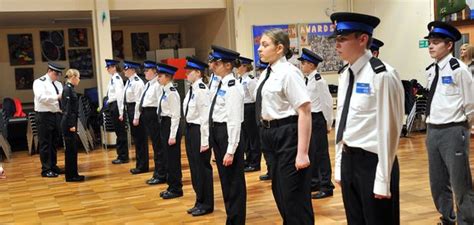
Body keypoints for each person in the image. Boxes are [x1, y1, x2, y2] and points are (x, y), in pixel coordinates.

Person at [331, 12, 404, 225]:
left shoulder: (382, 75)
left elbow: (390, 130)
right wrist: (339, 165)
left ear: (363, 39)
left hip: (373, 163)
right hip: (349, 159)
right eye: (336, 39)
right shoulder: (345, 74)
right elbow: (343, 123)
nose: (337, 44)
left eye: (343, 39)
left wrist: (383, 179)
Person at [256, 28, 313, 224]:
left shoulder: (289, 73)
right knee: (279, 191)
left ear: (280, 48)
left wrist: (302, 153)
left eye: (265, 45)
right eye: (259, 45)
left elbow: (305, 111)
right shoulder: (267, 73)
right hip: (269, 134)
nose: (259, 49)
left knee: (293, 194)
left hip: (287, 133)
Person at [423, 21, 474, 225]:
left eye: (436, 42)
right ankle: (447, 217)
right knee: (437, 181)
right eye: (430, 42)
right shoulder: (430, 70)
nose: (431, 46)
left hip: (453, 129)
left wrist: (464, 128)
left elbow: (470, 102)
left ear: (449, 45)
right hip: (432, 129)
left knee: (460, 181)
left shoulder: (459, 70)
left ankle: (467, 220)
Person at [208, 45, 246, 224]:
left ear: (228, 66)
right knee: (225, 179)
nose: (213, 65)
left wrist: (231, 149)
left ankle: (236, 219)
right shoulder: (220, 83)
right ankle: (231, 217)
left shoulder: (233, 87)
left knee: (234, 182)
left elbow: (234, 120)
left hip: (228, 134)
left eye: (217, 63)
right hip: (218, 132)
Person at [297, 48, 335, 199]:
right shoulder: (307, 79)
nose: (302, 65)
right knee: (311, 151)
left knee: (321, 153)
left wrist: (328, 123)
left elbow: (326, 103)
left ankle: (326, 185)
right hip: (310, 119)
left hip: (318, 119)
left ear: (312, 65)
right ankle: (314, 182)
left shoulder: (319, 81)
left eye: (304, 63)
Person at [182, 56, 214, 216]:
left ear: (198, 73)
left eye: (189, 71)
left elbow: (205, 117)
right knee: (194, 168)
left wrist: (205, 140)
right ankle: (199, 200)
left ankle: (206, 203)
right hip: (190, 130)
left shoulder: (201, 90)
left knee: (202, 168)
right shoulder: (192, 89)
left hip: (198, 132)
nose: (186, 74)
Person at [137, 61, 167, 185]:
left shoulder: (157, 85)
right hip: (147, 115)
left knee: (158, 147)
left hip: (154, 116)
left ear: (154, 71)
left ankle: (161, 174)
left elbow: (161, 103)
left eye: (147, 70)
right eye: (144, 70)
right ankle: (157, 172)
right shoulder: (148, 84)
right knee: (155, 145)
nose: (144, 72)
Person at [33, 62, 65, 178]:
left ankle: (53, 165)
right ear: (50, 71)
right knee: (45, 143)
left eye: (59, 75)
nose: (57, 77)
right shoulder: (39, 82)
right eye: (56, 74)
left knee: (54, 142)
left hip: (56, 114)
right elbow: (41, 98)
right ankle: (46, 169)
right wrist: (56, 97)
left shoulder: (58, 84)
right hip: (44, 115)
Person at [156, 63, 183, 199]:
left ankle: (176, 188)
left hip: (171, 125)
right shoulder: (164, 91)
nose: (158, 78)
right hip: (164, 124)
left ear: (167, 77)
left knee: (173, 159)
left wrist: (172, 135)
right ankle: (170, 185)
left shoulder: (172, 92)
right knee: (167, 158)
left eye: (160, 76)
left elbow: (176, 115)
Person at [236, 56, 261, 173]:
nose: (237, 68)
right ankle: (248, 159)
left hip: (250, 108)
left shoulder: (251, 80)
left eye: (239, 65)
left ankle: (255, 162)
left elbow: (255, 97)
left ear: (245, 67)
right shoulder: (239, 80)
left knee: (253, 137)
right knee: (245, 137)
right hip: (242, 108)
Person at [123, 61, 147, 174]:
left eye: (126, 69)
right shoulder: (129, 82)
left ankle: (142, 166)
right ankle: (139, 164)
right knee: (136, 139)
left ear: (132, 70)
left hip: (136, 110)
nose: (124, 71)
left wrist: (136, 116)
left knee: (140, 140)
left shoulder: (137, 82)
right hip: (130, 109)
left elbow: (138, 101)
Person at [61, 68, 84, 182]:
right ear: (73, 77)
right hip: (69, 123)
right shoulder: (68, 89)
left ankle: (74, 173)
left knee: (73, 149)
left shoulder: (70, 88)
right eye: (78, 77)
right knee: (70, 150)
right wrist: (71, 125)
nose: (79, 80)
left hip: (71, 121)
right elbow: (68, 109)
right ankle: (71, 176)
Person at [105, 59, 129, 164]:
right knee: (118, 132)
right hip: (112, 106)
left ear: (114, 67)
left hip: (116, 106)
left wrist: (121, 112)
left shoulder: (117, 79)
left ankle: (123, 156)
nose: (107, 69)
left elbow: (120, 97)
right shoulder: (113, 78)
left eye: (109, 67)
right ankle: (121, 154)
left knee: (120, 132)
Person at [254, 60, 274, 181]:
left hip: (278, 123)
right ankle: (270, 170)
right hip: (263, 119)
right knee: (266, 150)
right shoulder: (265, 74)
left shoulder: (287, 73)